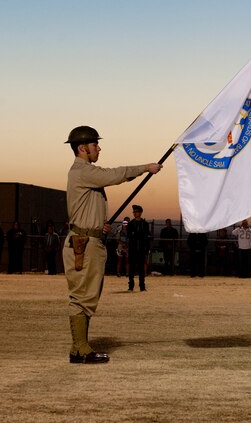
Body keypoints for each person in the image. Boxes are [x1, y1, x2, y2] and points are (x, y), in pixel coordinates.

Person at [63, 125, 162, 364]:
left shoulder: (85, 174)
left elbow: (88, 208)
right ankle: (80, 348)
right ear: (82, 148)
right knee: (81, 297)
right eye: (95, 144)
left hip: (89, 239)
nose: (99, 147)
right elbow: (115, 175)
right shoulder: (81, 171)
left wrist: (100, 225)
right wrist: (145, 168)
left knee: (88, 295)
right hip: (83, 244)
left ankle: (81, 347)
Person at [127, 205, 151, 291]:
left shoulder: (145, 224)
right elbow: (129, 235)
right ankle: (131, 286)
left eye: (136, 212)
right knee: (132, 269)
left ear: (140, 212)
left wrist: (147, 248)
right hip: (133, 249)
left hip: (141, 249)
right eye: (134, 212)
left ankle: (142, 286)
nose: (134, 213)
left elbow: (147, 237)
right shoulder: (130, 224)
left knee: (141, 268)